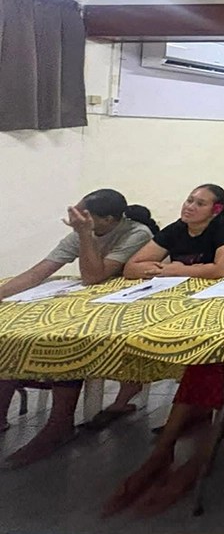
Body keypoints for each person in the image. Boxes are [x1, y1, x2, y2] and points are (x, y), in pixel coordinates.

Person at [105, 184, 224, 515]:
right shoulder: (176, 229)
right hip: (189, 307)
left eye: (199, 203)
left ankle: (192, 455)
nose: (189, 206)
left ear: (216, 210)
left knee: (217, 364)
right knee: (190, 359)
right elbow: (132, 268)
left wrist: (173, 269)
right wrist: (160, 269)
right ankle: (164, 450)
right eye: (189, 199)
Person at [0, 190, 155, 468]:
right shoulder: (83, 230)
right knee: (13, 334)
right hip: (88, 302)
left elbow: (94, 277)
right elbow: (39, 272)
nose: (75, 219)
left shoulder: (137, 233)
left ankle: (59, 426)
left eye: (84, 215)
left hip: (124, 310)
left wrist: (85, 235)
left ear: (108, 219)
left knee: (66, 343)